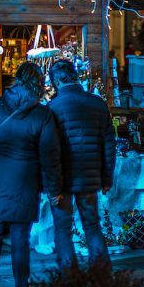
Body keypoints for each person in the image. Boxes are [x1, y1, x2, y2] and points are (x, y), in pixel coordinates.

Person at [0, 61, 60, 287]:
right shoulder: (43, 114)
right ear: (39, 83)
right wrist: (54, 189)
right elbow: (49, 157)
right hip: (23, 181)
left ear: (17, 79)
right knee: (20, 236)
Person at [46, 58, 115, 270]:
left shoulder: (52, 107)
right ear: (76, 76)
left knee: (63, 229)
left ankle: (69, 279)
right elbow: (109, 144)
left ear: (55, 82)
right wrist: (106, 178)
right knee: (92, 226)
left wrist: (52, 186)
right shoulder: (97, 103)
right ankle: (102, 277)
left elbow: (50, 150)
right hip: (90, 177)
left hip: (63, 179)